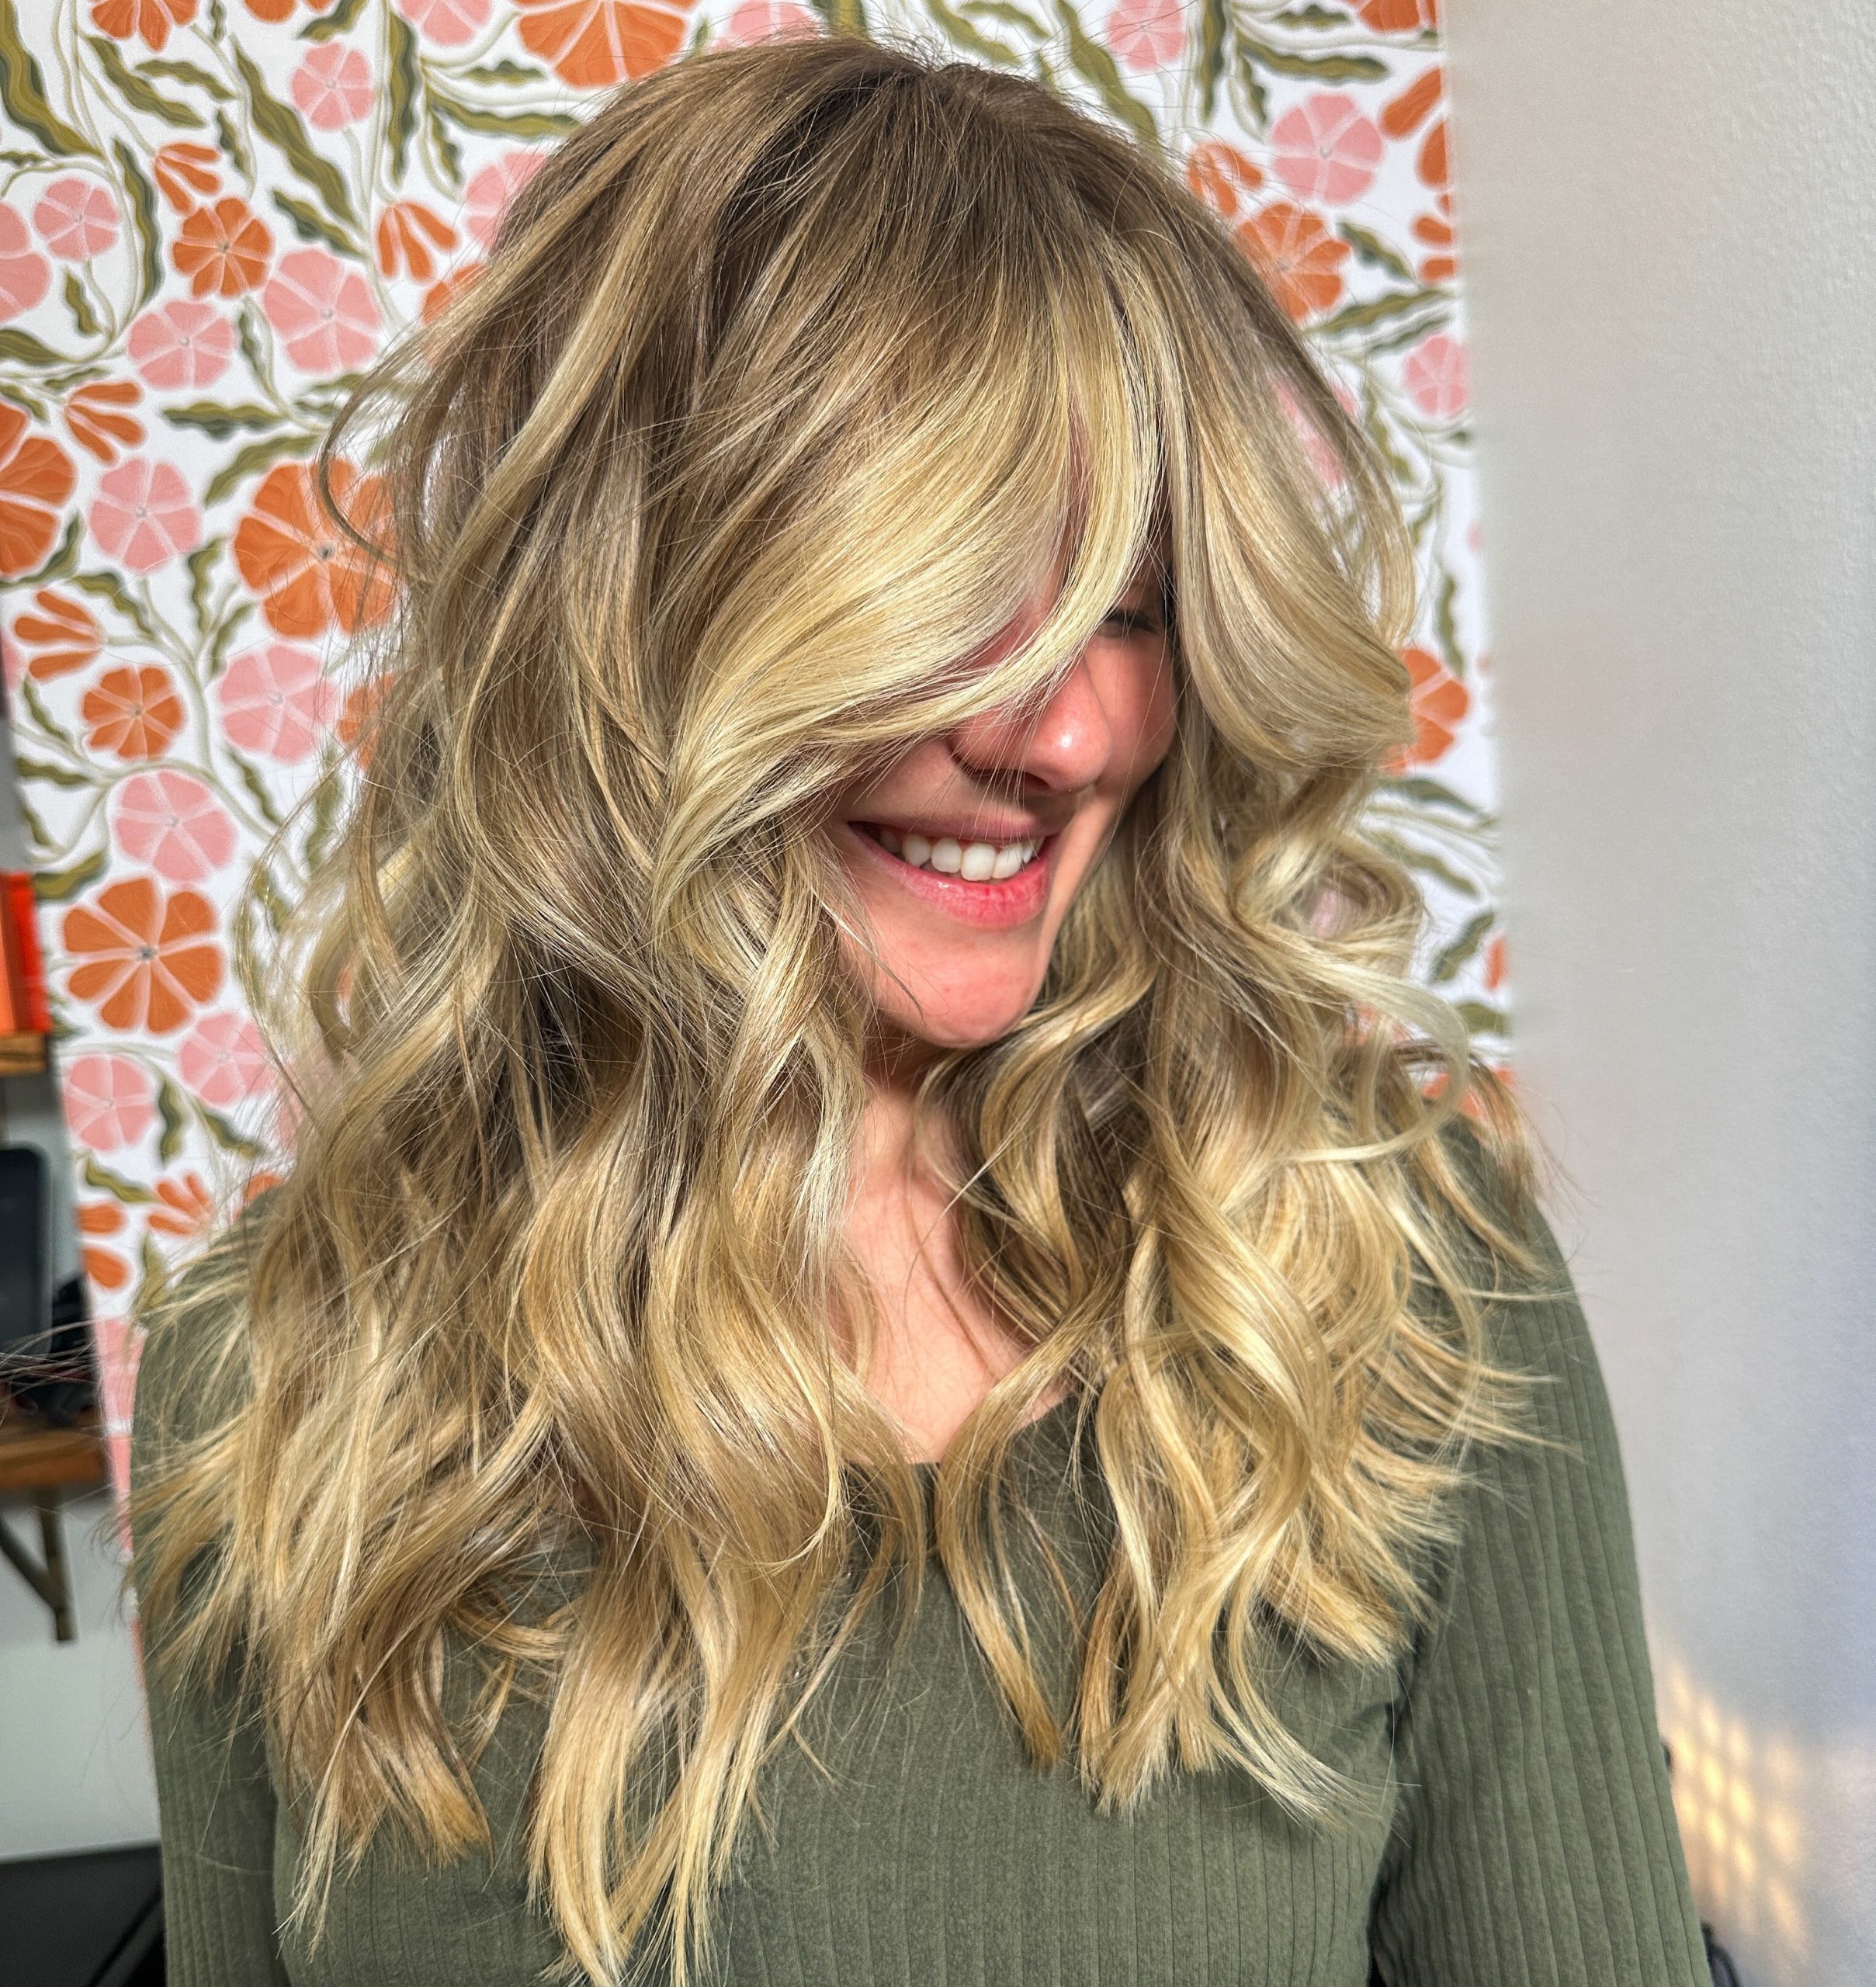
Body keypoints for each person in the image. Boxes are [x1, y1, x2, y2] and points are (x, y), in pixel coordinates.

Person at [128, 33, 1712, 1987]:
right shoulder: (281, 1376)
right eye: (947, 591)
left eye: (1128, 604)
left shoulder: (1387, 1291)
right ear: (628, 611)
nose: (1062, 734)